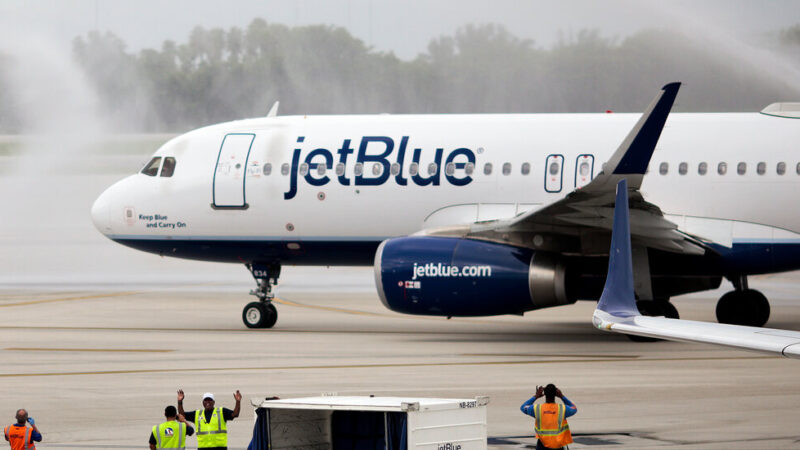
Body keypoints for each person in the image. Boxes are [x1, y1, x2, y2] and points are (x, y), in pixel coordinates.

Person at [520, 384, 576, 450]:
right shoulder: (562, 409)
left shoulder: (537, 409)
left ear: (545, 394)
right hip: (558, 445)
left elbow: (523, 407)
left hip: (542, 445)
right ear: (556, 394)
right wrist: (562, 396)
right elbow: (574, 408)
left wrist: (536, 396)